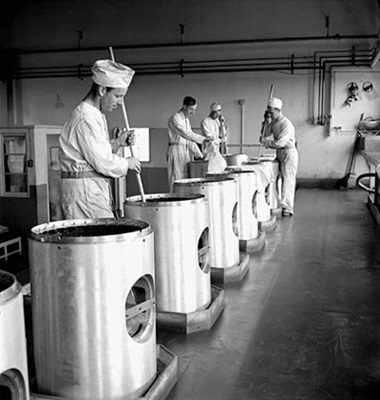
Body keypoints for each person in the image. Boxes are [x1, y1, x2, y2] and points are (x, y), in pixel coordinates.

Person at [59, 59, 141, 220]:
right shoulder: (85, 118)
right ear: (102, 90)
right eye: (118, 96)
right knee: (98, 240)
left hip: (90, 191)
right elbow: (102, 162)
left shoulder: (96, 114)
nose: (120, 103)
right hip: (84, 194)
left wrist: (117, 143)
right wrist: (127, 163)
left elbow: (93, 153)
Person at [260, 97, 298, 217]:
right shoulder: (273, 123)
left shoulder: (286, 124)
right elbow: (265, 134)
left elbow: (280, 142)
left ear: (278, 110)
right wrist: (265, 121)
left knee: (288, 180)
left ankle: (287, 208)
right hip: (280, 152)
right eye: (268, 112)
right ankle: (277, 203)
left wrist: (267, 143)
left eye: (271, 112)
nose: (270, 114)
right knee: (276, 179)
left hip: (288, 153)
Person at [167, 96, 212, 191]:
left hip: (185, 151)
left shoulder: (186, 120)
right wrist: (203, 139)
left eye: (194, 109)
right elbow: (185, 134)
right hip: (176, 150)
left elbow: (190, 140)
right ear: (184, 106)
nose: (193, 112)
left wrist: (199, 155)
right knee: (176, 178)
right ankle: (175, 199)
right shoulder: (176, 118)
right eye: (191, 109)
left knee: (185, 177)